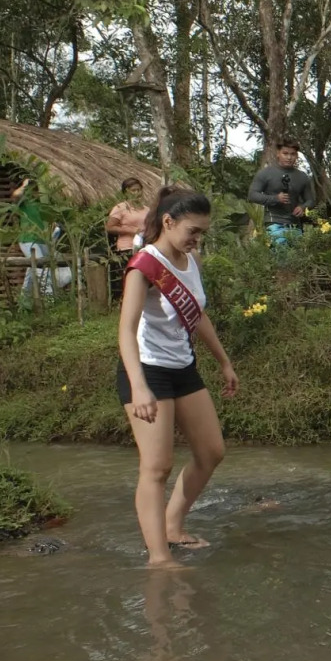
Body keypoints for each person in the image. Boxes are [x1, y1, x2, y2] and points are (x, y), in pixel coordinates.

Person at [116, 187, 237, 568]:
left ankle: (172, 525)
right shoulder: (143, 265)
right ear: (168, 222)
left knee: (211, 452)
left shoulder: (191, 260)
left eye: (202, 232)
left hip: (183, 367)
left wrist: (223, 361)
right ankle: (159, 557)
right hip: (148, 370)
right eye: (193, 230)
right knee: (156, 467)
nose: (197, 239)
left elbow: (197, 314)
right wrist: (138, 386)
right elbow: (126, 330)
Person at [248, 140, 316, 245]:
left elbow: (310, 200)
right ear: (278, 154)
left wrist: (302, 207)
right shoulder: (265, 173)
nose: (289, 157)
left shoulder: (302, 176)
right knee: (281, 254)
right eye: (285, 153)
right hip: (273, 222)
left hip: (295, 224)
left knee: (296, 258)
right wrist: (275, 198)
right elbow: (252, 195)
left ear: (297, 155)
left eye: (292, 154)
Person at [11, 178, 54, 299]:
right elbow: (15, 196)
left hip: (43, 240)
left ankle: (24, 301)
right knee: (41, 268)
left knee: (32, 270)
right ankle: (50, 300)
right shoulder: (25, 201)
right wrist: (24, 185)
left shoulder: (43, 203)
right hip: (28, 240)